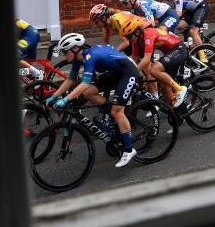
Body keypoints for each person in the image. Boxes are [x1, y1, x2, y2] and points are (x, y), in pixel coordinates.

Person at [44, 33, 147, 168]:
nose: (64, 54)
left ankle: (129, 150)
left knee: (117, 111)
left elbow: (85, 83)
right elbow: (71, 80)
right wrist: (54, 96)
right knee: (88, 93)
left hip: (128, 73)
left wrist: (65, 100)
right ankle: (112, 116)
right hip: (115, 73)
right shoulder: (78, 59)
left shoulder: (89, 57)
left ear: (75, 49)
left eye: (65, 51)